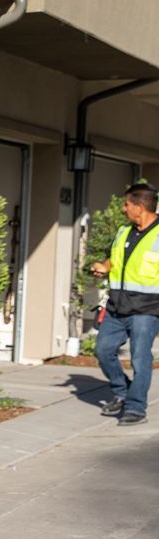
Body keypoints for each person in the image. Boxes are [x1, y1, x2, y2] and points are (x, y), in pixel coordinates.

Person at [88, 180, 159, 426]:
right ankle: (122, 390)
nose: (123, 209)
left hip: (147, 310)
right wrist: (103, 267)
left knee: (140, 359)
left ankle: (136, 408)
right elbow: (114, 258)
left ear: (140, 207)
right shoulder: (123, 231)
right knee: (103, 350)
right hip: (117, 307)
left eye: (127, 204)